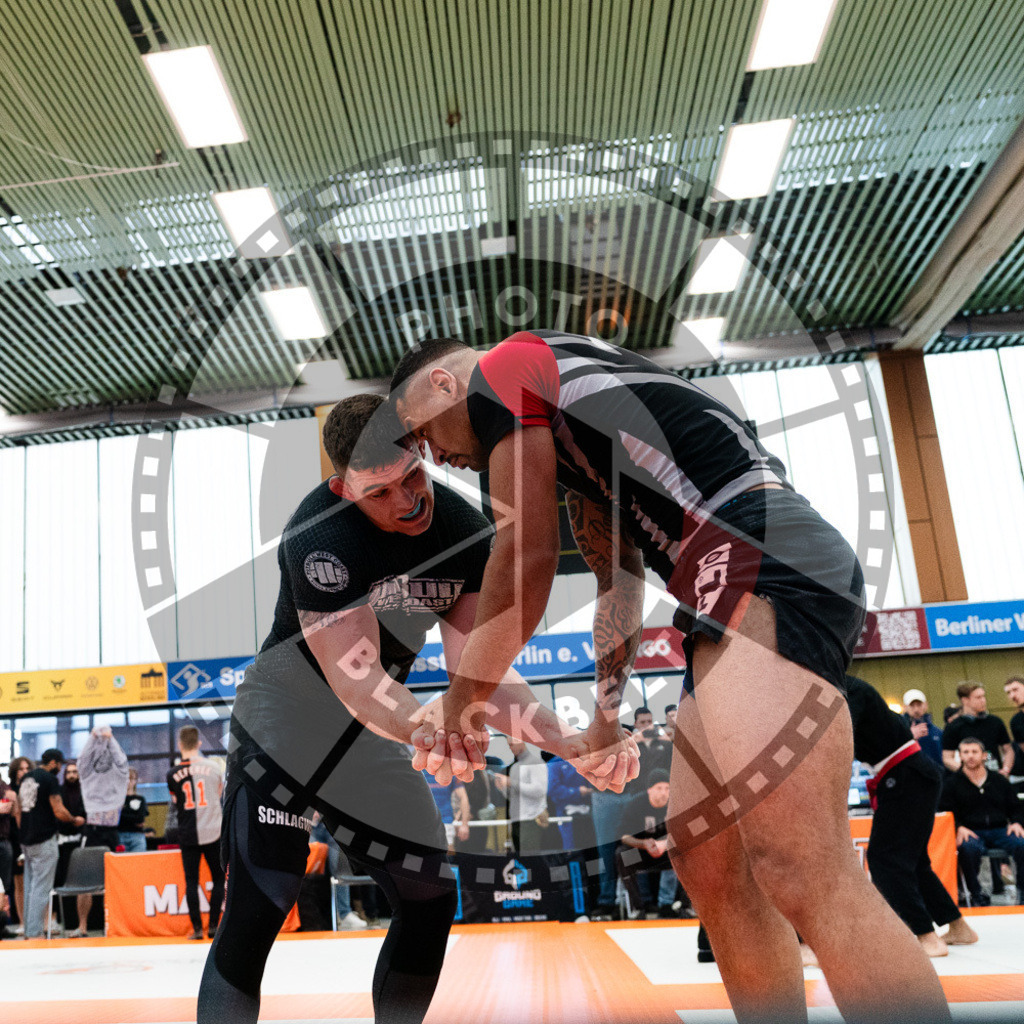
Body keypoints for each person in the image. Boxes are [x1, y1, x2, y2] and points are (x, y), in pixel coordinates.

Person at [391, 331, 951, 1024]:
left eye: (417, 434)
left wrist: (461, 702)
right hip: (731, 576)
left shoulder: (506, 367)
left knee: (804, 867)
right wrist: (604, 717)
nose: (431, 456)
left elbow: (527, 556)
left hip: (759, 548)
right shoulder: (575, 442)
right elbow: (618, 578)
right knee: (709, 864)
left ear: (445, 384)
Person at [197, 394, 605, 1024]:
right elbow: (357, 682)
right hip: (284, 722)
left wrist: (567, 741)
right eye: (379, 492)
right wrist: (436, 727)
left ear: (421, 450)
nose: (407, 501)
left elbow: (482, 675)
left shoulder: (464, 532)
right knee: (262, 900)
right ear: (342, 487)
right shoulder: (321, 532)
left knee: (429, 891)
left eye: (413, 475)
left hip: (370, 736)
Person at [845, 676, 977, 956]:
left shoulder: (844, 689)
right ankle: (957, 927)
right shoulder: (848, 688)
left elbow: (840, 738)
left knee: (885, 859)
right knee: (914, 861)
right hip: (911, 773)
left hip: (905, 774)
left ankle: (926, 936)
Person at [943, 738, 1024, 906]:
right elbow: (946, 810)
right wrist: (958, 827)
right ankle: (976, 893)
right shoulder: (951, 784)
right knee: (967, 848)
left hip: (1000, 829)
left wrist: (1016, 822)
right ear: (960, 756)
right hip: (971, 831)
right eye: (966, 752)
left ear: (984, 755)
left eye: (974, 752)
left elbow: (1016, 807)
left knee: (1021, 844)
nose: (970, 756)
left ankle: (1022, 891)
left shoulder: (999, 780)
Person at [17, 749, 85, 938]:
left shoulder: (26, 778)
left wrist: (23, 830)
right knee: (41, 888)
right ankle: (35, 932)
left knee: (30, 886)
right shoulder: (50, 780)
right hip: (44, 838)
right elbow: (58, 810)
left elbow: (18, 809)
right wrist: (74, 820)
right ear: (54, 763)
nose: (61, 768)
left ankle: (29, 930)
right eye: (60, 764)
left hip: (26, 839)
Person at [167, 725, 225, 941]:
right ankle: (213, 927)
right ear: (199, 743)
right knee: (218, 879)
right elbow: (219, 795)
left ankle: (197, 929)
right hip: (214, 830)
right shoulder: (215, 767)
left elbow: (175, 802)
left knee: (191, 881)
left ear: (180, 745)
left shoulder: (172, 774)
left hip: (187, 832)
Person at [615, 768, 673, 917]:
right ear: (649, 790)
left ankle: (675, 905)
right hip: (642, 853)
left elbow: (685, 834)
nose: (663, 793)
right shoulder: (636, 804)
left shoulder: (674, 805)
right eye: (659, 788)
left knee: (689, 852)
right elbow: (623, 836)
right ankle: (637, 907)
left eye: (667, 788)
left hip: (667, 853)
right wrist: (643, 844)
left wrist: (665, 844)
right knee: (622, 855)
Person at [941, 682, 1014, 776]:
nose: (983, 700)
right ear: (965, 700)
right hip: (968, 780)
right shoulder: (953, 727)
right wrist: (968, 773)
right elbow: (947, 758)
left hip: (995, 774)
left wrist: (1006, 769)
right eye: (978, 697)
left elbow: (1008, 750)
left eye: (983, 696)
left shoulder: (995, 721)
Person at [6, 757, 33, 933]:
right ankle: (22, 923)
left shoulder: (34, 789)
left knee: (36, 881)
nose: (24, 772)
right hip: (15, 839)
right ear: (15, 772)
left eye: (27, 769)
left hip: (33, 838)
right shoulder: (9, 791)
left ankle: (40, 921)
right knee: (19, 883)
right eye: (21, 769)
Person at [901, 689, 944, 768]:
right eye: (912, 705)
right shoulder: (899, 731)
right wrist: (909, 737)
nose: (916, 709)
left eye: (919, 705)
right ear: (905, 707)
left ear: (925, 705)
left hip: (936, 777)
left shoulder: (938, 732)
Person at [0, 768, 19, 927]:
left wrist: (14, 801)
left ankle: (2, 925)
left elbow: (13, 812)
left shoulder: (4, 787)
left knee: (4, 886)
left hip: (4, 839)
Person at [118, 769, 149, 853]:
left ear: (135, 781)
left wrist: (123, 812)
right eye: (126, 778)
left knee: (139, 863)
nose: (128, 782)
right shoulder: (117, 800)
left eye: (131, 779)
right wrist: (132, 816)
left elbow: (140, 819)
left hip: (137, 836)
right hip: (120, 835)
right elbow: (116, 818)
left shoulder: (140, 799)